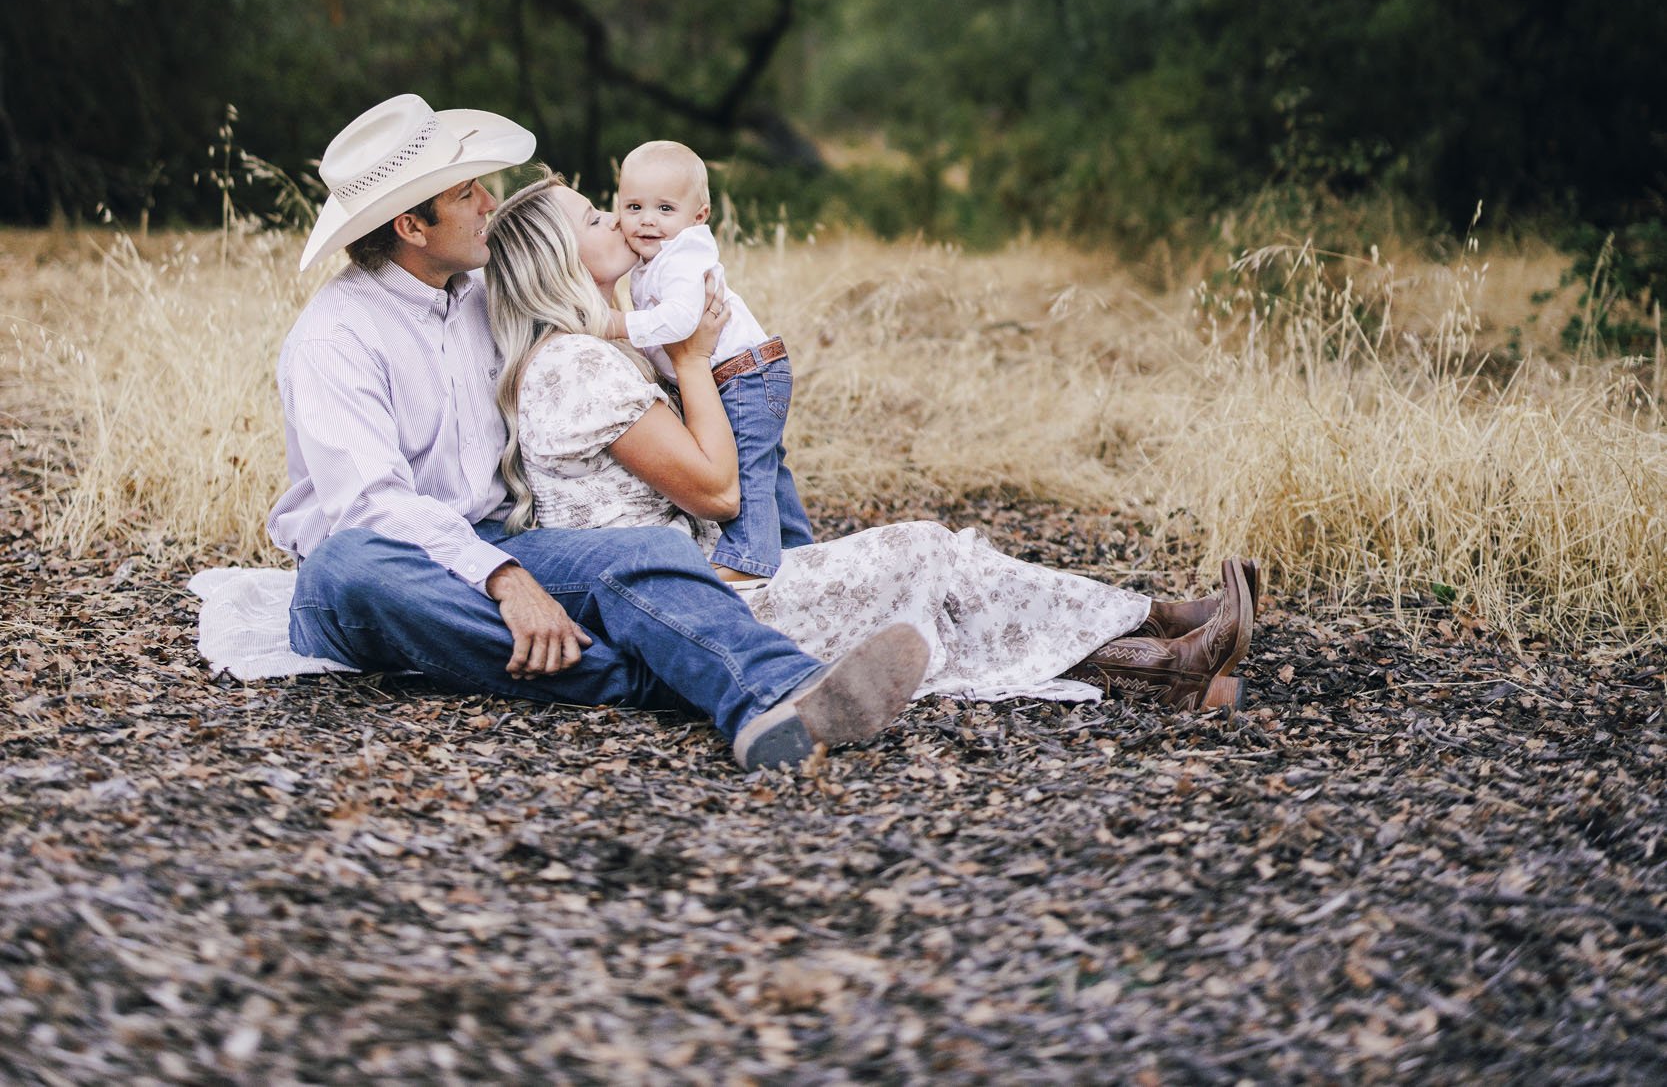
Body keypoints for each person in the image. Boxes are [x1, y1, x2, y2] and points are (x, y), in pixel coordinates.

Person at [265, 93, 929, 771]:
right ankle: (654, 677)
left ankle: (779, 693)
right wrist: (505, 580)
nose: (489, 204)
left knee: (639, 550)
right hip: (393, 565)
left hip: (496, 534)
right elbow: (370, 507)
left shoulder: (477, 293)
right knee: (349, 569)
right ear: (411, 225)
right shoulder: (335, 338)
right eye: (468, 193)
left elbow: (573, 278)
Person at [486, 178, 1256, 712]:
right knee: (922, 556)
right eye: (591, 220)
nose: (617, 221)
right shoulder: (576, 362)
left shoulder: (591, 351)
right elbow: (717, 491)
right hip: (696, 607)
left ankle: (1167, 648)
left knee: (933, 571)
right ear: (558, 261)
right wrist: (691, 360)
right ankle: (1163, 634)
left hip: (703, 581)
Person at [595, 138, 811, 582]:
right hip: (745, 371)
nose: (647, 220)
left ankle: (748, 559)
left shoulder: (685, 255)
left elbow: (678, 322)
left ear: (699, 216)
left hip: (743, 375)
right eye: (633, 207)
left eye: (665, 209)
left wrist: (616, 324)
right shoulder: (656, 256)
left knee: (749, 464)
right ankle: (797, 548)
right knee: (768, 466)